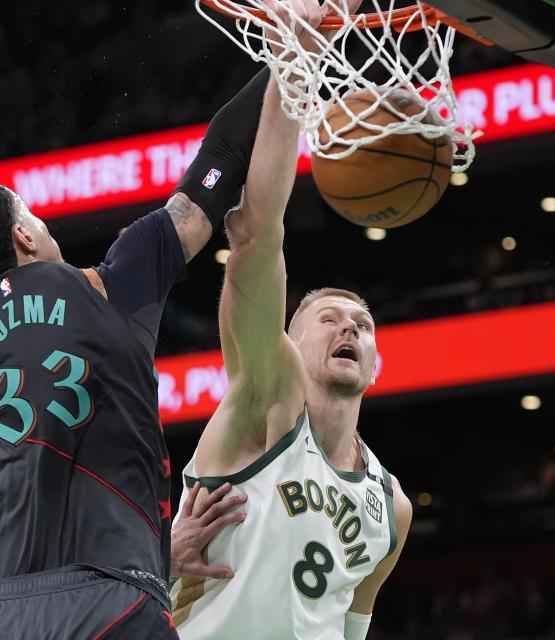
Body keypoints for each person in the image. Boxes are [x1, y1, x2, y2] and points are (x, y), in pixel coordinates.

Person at [0, 64, 274, 639]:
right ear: (23, 237)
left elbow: (25, 490)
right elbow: (222, 154)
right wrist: (293, 53)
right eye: (34, 215)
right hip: (111, 604)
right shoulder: (109, 288)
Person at [169, 2, 412, 638]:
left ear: (377, 364)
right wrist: (294, 66)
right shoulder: (264, 402)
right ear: (287, 343)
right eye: (329, 319)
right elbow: (257, 232)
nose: (350, 330)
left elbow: (353, 626)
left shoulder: (393, 508)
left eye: (361, 325)